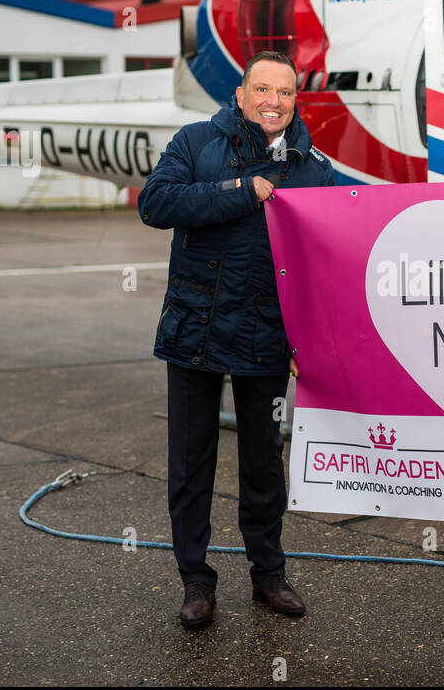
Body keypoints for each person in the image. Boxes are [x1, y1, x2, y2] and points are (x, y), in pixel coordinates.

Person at [138, 50, 335, 629]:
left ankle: (268, 575)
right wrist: (241, 191)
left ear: (295, 100)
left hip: (268, 340)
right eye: (263, 89)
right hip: (193, 333)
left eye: (286, 92)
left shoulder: (313, 167)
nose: (274, 101)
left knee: (264, 465)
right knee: (191, 464)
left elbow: (323, 262)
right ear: (242, 94)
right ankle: (196, 582)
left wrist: (313, 342)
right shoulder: (197, 142)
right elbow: (157, 203)